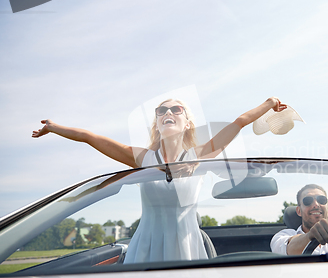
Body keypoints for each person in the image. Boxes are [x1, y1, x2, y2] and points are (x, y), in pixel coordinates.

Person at [33, 97, 288, 263]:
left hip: (186, 247)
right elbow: (91, 137)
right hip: (145, 245)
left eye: (176, 109)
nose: (168, 112)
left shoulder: (199, 155)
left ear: (187, 123)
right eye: (161, 110)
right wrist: (54, 127)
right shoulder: (143, 158)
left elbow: (240, 122)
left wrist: (269, 103)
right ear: (157, 122)